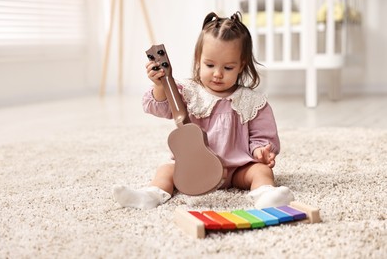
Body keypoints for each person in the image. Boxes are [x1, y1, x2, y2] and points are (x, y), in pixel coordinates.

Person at [113, 12, 294, 209]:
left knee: (261, 171)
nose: (217, 74)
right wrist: (160, 86)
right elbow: (158, 107)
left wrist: (261, 151)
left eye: (228, 67)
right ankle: (150, 195)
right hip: (195, 168)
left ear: (241, 66)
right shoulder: (189, 94)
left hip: (238, 169)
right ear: (198, 59)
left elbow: (263, 136)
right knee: (166, 170)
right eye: (210, 65)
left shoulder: (251, 101)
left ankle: (265, 195)